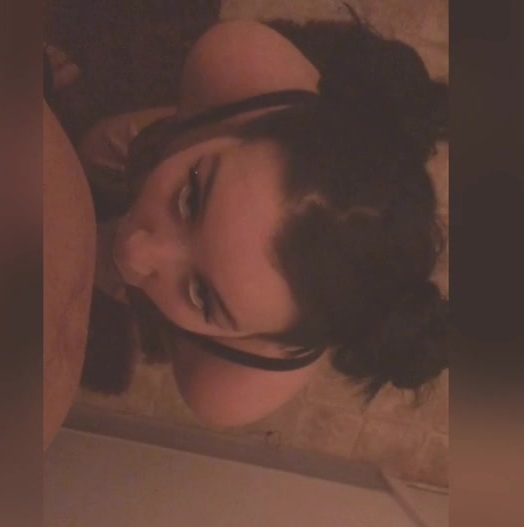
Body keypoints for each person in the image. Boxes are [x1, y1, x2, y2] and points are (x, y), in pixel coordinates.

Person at [66, 15, 449, 427]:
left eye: (201, 295)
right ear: (251, 125)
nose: (133, 252)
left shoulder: (224, 390)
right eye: (191, 197)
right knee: (96, 149)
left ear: (262, 340)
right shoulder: (233, 62)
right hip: (157, 145)